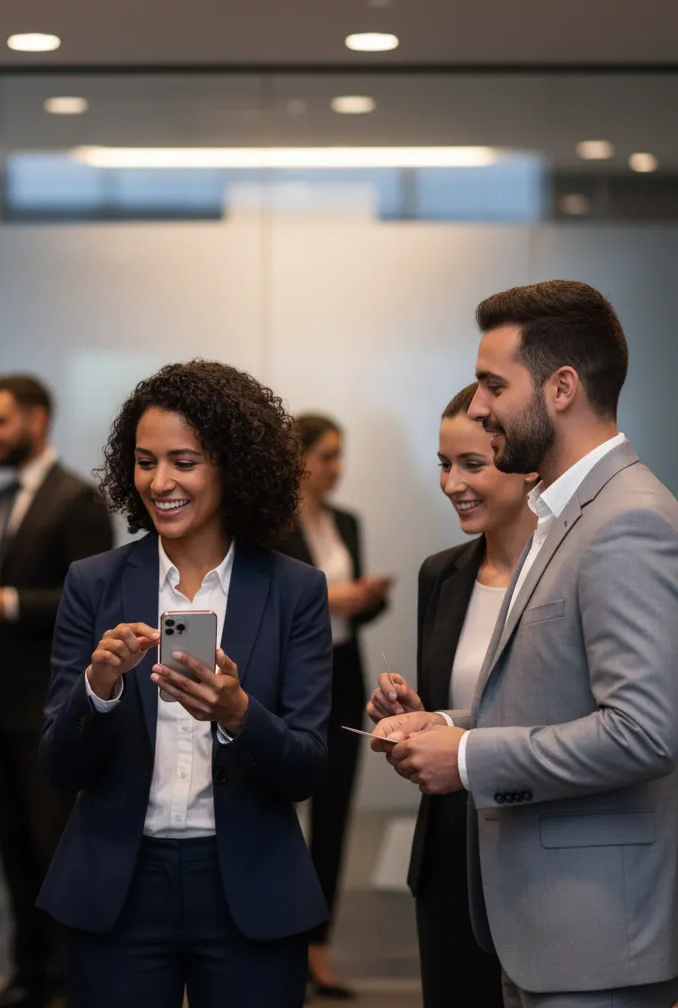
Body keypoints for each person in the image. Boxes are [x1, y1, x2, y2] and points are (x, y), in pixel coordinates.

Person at [371, 281, 678, 1008]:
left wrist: (469, 758)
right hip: (540, 934)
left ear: (562, 387)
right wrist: (445, 726)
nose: (478, 408)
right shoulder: (562, 517)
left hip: (597, 942)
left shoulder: (627, 521)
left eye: (493, 385)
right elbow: (555, 697)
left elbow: (647, 731)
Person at [38, 360, 334, 1008]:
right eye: (145, 461)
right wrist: (100, 689)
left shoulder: (295, 591)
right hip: (119, 888)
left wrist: (238, 713)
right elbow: (59, 765)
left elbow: (309, 768)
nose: (160, 482)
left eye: (184, 461)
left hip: (249, 888)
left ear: (232, 465)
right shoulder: (95, 583)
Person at [367, 382, 535, 1007]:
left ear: (527, 465)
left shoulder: (572, 573)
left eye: (472, 464)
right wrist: (415, 718)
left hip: (536, 850)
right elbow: (457, 711)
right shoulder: (442, 573)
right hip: (448, 857)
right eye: (443, 464)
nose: (451, 483)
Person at [0, 373, 114, 1008]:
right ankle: (28, 972)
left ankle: (64, 978)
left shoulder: (78, 501)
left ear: (37, 420)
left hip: (50, 708)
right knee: (13, 851)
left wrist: (3, 601)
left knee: (53, 847)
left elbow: (91, 601)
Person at [276, 413, 390, 999]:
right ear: (300, 459)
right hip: (289, 681)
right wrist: (332, 597)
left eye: (342, 455)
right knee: (279, 814)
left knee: (335, 816)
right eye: (327, 455)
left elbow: (353, 610)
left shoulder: (347, 521)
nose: (337, 467)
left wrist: (366, 600)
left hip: (342, 678)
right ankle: (281, 937)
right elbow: (273, 605)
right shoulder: (270, 524)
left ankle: (319, 945)